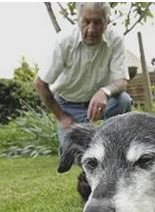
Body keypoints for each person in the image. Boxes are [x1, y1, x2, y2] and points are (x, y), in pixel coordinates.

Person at [35, 2, 132, 144]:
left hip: (101, 104)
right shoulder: (64, 41)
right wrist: (62, 117)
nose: (91, 29)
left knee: (123, 100)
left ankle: (113, 140)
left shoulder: (116, 40)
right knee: (72, 157)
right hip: (68, 105)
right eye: (86, 22)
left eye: (98, 22)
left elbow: (122, 81)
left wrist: (104, 92)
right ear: (78, 20)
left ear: (107, 22)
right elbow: (40, 83)